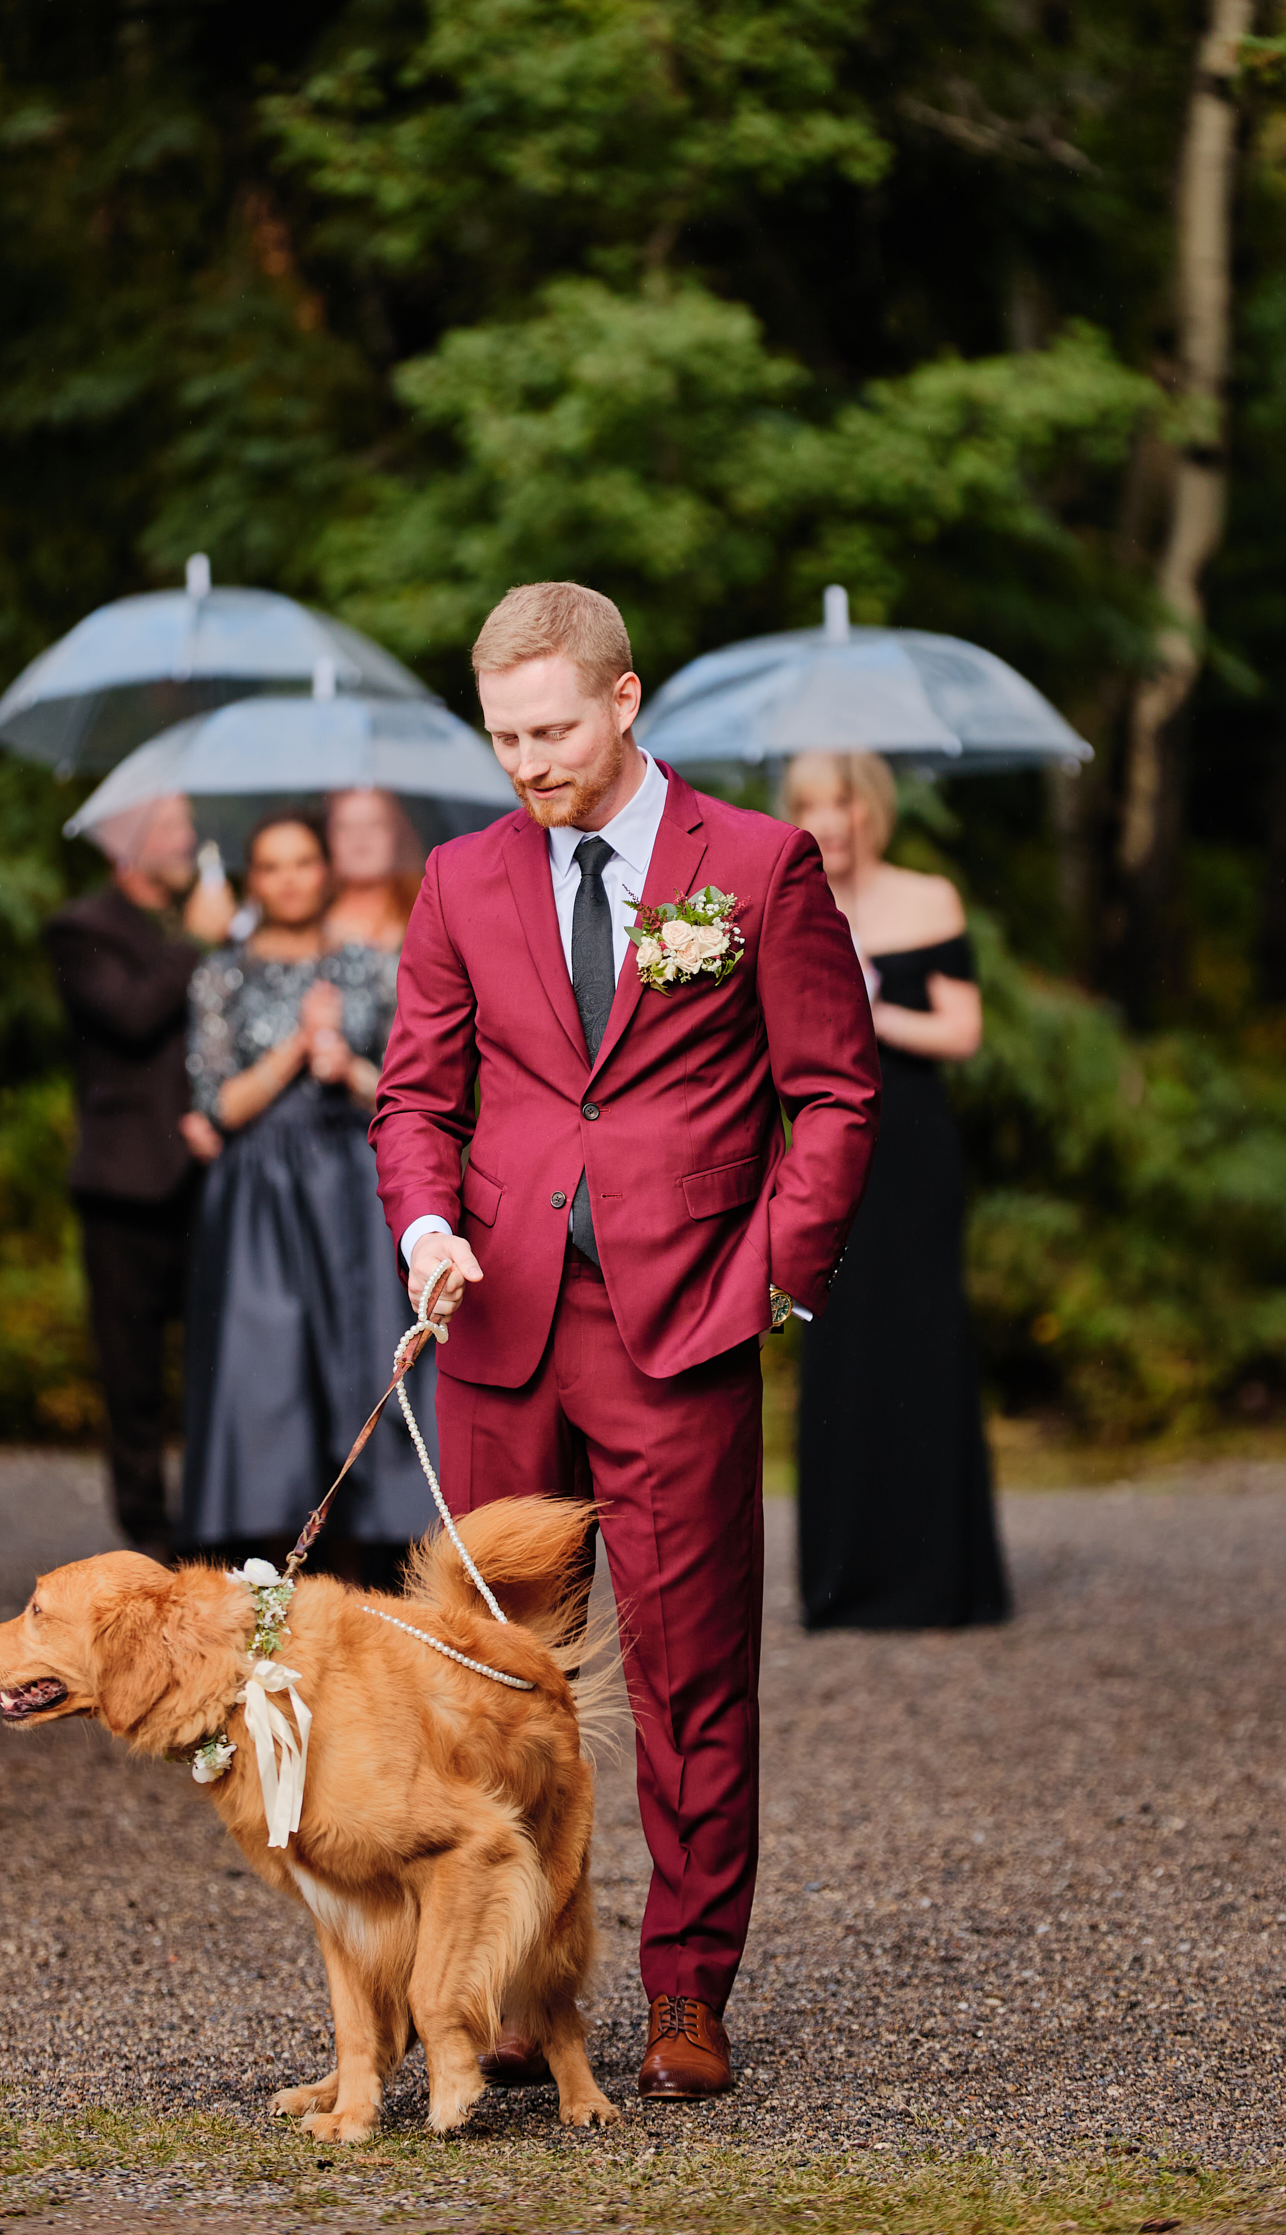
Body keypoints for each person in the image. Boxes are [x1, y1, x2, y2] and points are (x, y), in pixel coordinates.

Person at [372, 583, 879, 2102]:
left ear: (623, 701)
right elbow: (415, 1100)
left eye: (549, 730)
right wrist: (425, 1229)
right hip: (499, 1325)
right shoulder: (458, 879)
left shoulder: (759, 865)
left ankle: (684, 1991)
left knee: (688, 1673)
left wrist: (771, 1279)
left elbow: (837, 1093)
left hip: (683, 1329)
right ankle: (521, 1993)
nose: (525, 762)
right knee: (487, 1682)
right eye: (501, 736)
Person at [179, 801, 437, 1586]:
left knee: (364, 1359)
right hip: (261, 1199)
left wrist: (343, 1064)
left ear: (324, 871)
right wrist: (297, 1045)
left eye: (304, 862)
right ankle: (269, 1563)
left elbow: (408, 1090)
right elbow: (216, 1104)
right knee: (267, 1370)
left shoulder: (368, 962)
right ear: (255, 880)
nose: (291, 879)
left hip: (352, 1193)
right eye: (273, 866)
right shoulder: (222, 971)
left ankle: (384, 1553)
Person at [785, 750, 1010, 1631]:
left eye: (839, 801)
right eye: (809, 804)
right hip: (821, 1150)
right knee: (839, 1345)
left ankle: (941, 1578)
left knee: (922, 1339)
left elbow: (962, 1030)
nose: (827, 820)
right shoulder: (789, 900)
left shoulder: (929, 898)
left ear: (870, 808)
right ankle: (844, 1580)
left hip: (913, 1148)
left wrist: (871, 1007)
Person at [43, 792, 235, 1560]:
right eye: (177, 827)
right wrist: (195, 943)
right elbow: (126, 1016)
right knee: (131, 1376)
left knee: (216, 1364)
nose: (192, 839)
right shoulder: (80, 929)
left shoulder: (206, 921)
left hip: (206, 1179)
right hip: (123, 1187)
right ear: (131, 844)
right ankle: (146, 1538)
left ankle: (212, 1524)